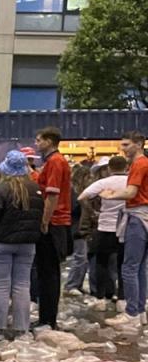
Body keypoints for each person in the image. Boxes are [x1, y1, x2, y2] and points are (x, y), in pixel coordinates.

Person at [0, 150, 44, 341]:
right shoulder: (35, 189)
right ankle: (22, 330)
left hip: (0, 245)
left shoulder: (1, 191)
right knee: (22, 286)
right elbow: (39, 218)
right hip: (27, 245)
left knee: (1, 286)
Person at [104, 131, 148, 328]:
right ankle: (139, 310)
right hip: (143, 216)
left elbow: (131, 192)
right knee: (140, 267)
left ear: (138, 144)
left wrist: (110, 195)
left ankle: (131, 313)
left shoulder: (139, 164)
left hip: (137, 217)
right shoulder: (143, 163)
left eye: (126, 145)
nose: (123, 149)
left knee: (129, 267)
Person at [33, 126, 73, 330]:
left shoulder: (56, 162)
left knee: (48, 273)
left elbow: (53, 194)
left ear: (49, 141)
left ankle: (48, 319)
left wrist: (45, 220)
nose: (36, 143)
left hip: (55, 222)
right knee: (46, 272)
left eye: (39, 140)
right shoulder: (52, 162)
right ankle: (46, 317)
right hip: (56, 220)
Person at [78, 155, 128, 311]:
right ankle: (122, 299)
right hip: (126, 227)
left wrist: (95, 211)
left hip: (105, 227)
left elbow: (82, 197)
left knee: (101, 263)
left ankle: (100, 299)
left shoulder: (103, 183)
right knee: (123, 265)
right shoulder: (131, 182)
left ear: (109, 168)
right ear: (126, 167)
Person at [64, 162, 95, 296]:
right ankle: (71, 285)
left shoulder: (79, 191)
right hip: (76, 228)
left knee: (83, 258)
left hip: (81, 228)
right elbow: (73, 209)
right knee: (80, 257)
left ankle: (77, 283)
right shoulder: (73, 191)